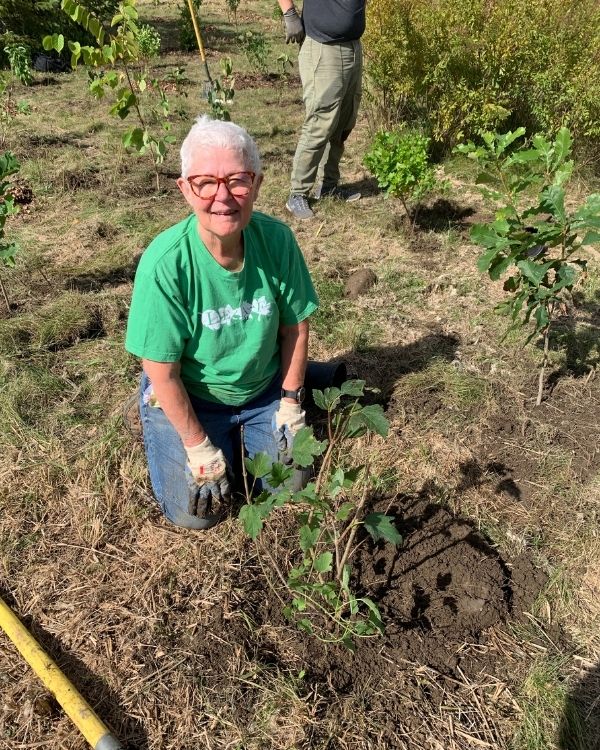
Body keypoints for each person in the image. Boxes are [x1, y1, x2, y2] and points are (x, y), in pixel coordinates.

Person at [125, 116, 319, 530]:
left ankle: (278, 401)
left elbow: (294, 328)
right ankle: (158, 410)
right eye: (205, 182)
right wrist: (198, 446)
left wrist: (289, 402)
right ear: (185, 190)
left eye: (237, 180)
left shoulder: (278, 240)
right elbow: (162, 367)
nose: (223, 196)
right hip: (193, 393)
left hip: (262, 390)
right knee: (195, 516)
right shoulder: (166, 264)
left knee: (292, 487)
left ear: (258, 183)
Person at [278, 0, 367, 220]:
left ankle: (329, 186)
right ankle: (297, 193)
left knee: (343, 122)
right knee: (320, 123)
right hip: (323, 47)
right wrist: (289, 14)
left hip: (353, 45)